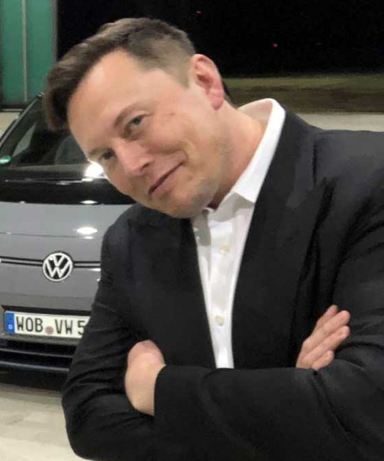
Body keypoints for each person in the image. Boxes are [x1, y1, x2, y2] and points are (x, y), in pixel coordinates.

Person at [43, 18, 384, 461]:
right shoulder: (131, 241)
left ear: (205, 82)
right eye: (105, 155)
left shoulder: (366, 184)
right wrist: (293, 404)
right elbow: (88, 417)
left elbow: (367, 411)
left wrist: (159, 390)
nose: (129, 165)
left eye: (135, 123)